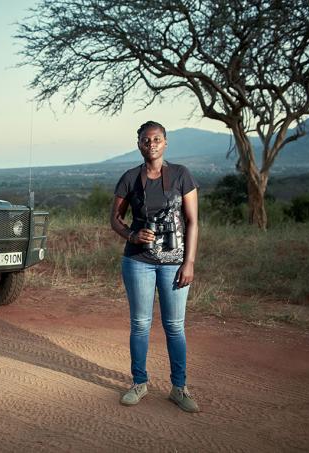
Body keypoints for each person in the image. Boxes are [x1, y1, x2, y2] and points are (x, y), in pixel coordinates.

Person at [110, 120, 200, 413]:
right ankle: (139, 383)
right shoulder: (129, 178)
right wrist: (132, 235)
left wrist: (189, 262)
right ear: (139, 144)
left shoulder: (181, 175)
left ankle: (179, 388)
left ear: (165, 142)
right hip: (138, 261)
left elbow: (192, 222)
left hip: (174, 263)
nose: (151, 144)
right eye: (146, 140)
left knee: (175, 326)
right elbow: (115, 219)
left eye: (157, 139)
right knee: (140, 324)